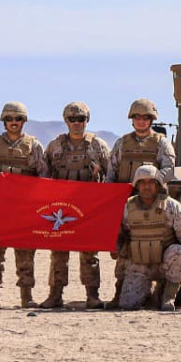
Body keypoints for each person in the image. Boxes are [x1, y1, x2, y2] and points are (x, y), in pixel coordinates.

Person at [0, 101, 45, 308]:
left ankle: (26, 296)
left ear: (24, 121)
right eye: (10, 119)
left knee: (25, 253)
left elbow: (44, 176)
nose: (14, 122)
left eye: (18, 118)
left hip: (24, 210)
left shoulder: (34, 146)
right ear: (4, 121)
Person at [39, 102, 111, 309]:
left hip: (88, 209)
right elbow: (44, 175)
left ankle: (92, 295)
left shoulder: (98, 145)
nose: (77, 123)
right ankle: (55, 295)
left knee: (89, 253)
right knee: (58, 252)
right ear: (66, 121)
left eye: (81, 119)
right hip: (62, 207)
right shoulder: (55, 146)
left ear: (87, 120)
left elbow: (111, 176)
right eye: (72, 119)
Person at [105, 98, 176, 308]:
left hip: (153, 204)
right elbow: (111, 172)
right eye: (137, 117)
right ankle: (119, 291)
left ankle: (161, 293)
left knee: (157, 244)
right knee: (125, 246)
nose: (141, 121)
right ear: (132, 120)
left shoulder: (161, 142)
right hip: (126, 205)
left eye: (146, 117)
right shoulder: (121, 143)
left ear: (152, 120)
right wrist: (110, 197)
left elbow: (169, 169)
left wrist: (150, 185)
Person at [115, 165, 181, 311]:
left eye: (151, 182)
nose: (147, 186)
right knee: (127, 305)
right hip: (140, 263)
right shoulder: (128, 207)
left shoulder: (171, 206)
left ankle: (168, 295)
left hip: (164, 262)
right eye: (143, 183)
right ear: (137, 185)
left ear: (158, 185)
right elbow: (121, 234)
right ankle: (149, 293)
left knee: (178, 251)